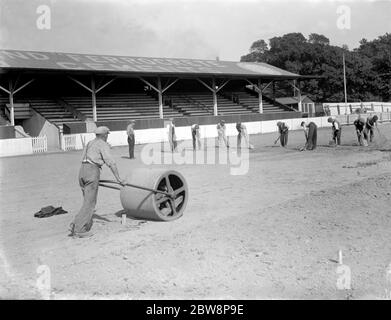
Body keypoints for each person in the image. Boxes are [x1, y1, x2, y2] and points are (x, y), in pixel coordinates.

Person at [69, 126, 125, 238]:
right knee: (90, 203)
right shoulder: (102, 144)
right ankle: (79, 229)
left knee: (87, 201)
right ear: (104, 135)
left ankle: (75, 224)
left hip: (82, 171)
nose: (107, 137)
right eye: (107, 135)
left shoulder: (90, 143)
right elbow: (111, 162)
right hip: (92, 171)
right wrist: (118, 179)